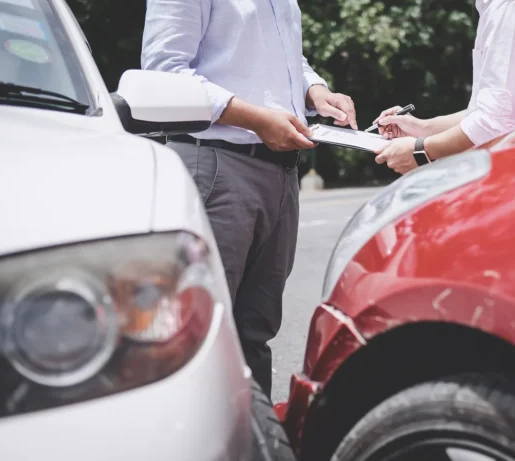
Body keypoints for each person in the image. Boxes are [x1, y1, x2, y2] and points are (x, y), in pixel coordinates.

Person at [141, 0, 357, 398]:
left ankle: (251, 442)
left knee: (254, 332)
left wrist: (315, 90)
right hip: (217, 166)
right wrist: (256, 119)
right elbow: (164, 72)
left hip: (280, 172)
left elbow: (284, 59)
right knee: (201, 333)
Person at [374, 0, 515, 174]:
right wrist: (422, 128)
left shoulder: (510, 8)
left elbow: (496, 122)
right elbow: (493, 112)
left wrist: (421, 150)